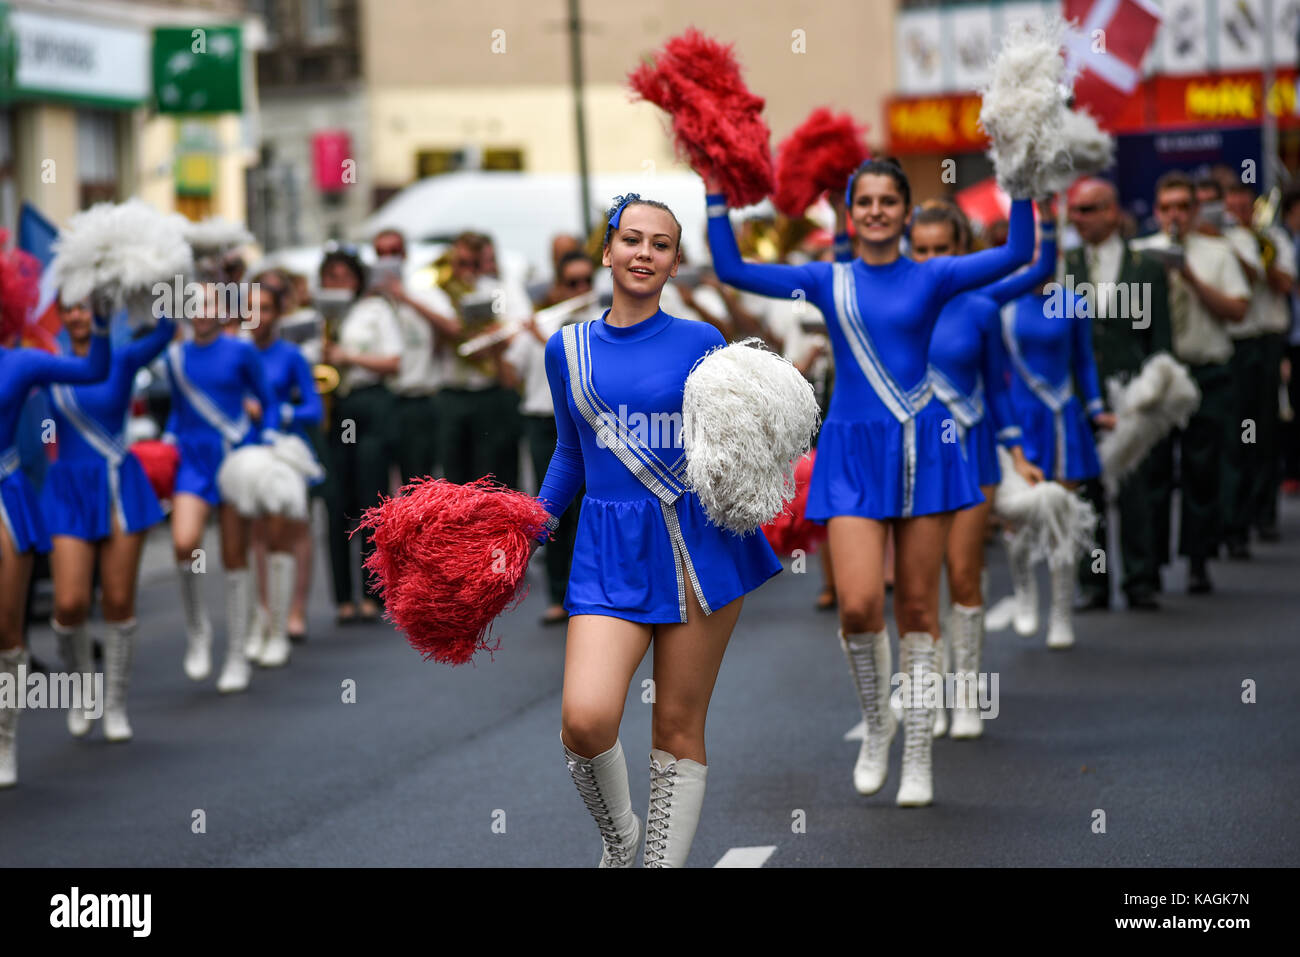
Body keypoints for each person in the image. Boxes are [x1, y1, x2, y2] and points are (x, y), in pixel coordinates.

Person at [706, 157, 1034, 806]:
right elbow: (733, 270)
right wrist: (715, 193)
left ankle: (917, 750)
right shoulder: (828, 280)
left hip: (922, 448)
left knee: (916, 607)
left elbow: (1021, 250)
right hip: (853, 454)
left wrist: (1021, 172)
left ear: (908, 214)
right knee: (857, 605)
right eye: (867, 201)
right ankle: (878, 722)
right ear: (850, 214)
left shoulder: (935, 274)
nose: (878, 211)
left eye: (890, 201)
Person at [538, 194, 782, 867]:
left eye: (662, 244)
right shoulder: (566, 348)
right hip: (608, 547)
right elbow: (569, 451)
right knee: (585, 721)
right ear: (608, 249)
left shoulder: (702, 343)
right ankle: (620, 838)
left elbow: (734, 443)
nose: (644, 253)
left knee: (676, 727)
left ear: (675, 263)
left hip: (695, 543)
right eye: (632, 239)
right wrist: (530, 526)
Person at [904, 199, 1044, 735]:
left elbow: (1001, 390)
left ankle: (967, 695)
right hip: (915, 457)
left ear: (962, 251)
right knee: (920, 586)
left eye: (945, 248)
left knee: (963, 572)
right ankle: (930, 697)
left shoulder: (982, 307)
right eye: (923, 249)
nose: (934, 258)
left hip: (973, 451)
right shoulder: (898, 306)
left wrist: (1019, 455)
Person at [41, 298, 174, 740]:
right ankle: (82, 690)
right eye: (70, 309)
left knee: (118, 602)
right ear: (61, 315)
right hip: (69, 489)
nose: (79, 316)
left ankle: (115, 703)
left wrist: (146, 285)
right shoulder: (49, 362)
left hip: (119, 482)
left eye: (87, 307)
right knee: (69, 604)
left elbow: (166, 329)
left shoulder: (123, 355)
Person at [1, 302, 111, 786]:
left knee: (6, 630)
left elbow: (94, 368)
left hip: (7, 495)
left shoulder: (20, 362)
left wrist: (104, 319)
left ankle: (4, 743)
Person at [997, 213, 1113, 650]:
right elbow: (999, 373)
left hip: (1064, 418)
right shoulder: (1003, 309)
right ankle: (1026, 593)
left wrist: (1097, 406)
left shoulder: (1072, 301)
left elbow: (1084, 359)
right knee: (1020, 515)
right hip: (1020, 421)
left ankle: (1061, 613)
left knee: (1063, 513)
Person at [1132, 171, 1251, 594]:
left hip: (1205, 371)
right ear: (1157, 211)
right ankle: (1151, 564)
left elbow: (1238, 311)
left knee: (1202, 470)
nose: (1176, 215)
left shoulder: (1217, 252)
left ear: (1196, 209)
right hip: (1159, 375)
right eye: (1167, 208)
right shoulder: (1141, 254)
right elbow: (1125, 318)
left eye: (1184, 206)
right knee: (1154, 471)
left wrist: (1193, 281)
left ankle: (1198, 559)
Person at [164, 283, 282, 693]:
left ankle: (235, 655)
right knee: (184, 543)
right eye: (194, 304)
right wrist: (167, 437)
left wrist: (267, 437)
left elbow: (268, 401)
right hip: (193, 462)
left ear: (223, 309)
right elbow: (178, 412)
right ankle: (198, 630)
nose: (201, 311)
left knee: (235, 556)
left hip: (233, 456)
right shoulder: (174, 357)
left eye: (210, 303)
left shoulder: (240, 350)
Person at [1064, 178, 1174, 610]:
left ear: (1113, 211)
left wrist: (1152, 393)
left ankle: (1140, 578)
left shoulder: (1144, 266)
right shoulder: (1065, 266)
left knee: (1136, 486)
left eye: (1089, 209)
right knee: (1087, 491)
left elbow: (1160, 340)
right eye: (1075, 210)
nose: (1079, 218)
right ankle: (1093, 582)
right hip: (1078, 395)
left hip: (1132, 392)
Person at [500, 250, 594, 626]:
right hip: (542, 422)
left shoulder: (600, 324)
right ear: (558, 286)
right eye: (573, 283)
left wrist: (545, 339)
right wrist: (502, 348)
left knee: (591, 509)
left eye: (588, 280)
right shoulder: (543, 320)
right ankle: (558, 595)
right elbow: (509, 377)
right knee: (552, 512)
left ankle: (590, 593)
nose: (582, 289)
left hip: (588, 426)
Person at [319, 249, 403, 625]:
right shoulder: (316, 316)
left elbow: (394, 361)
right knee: (337, 500)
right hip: (334, 408)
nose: (337, 283)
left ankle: (373, 593)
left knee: (372, 498)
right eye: (330, 276)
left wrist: (347, 356)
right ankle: (342, 597)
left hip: (370, 403)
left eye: (344, 276)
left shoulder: (374, 311)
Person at [244, 280, 322, 665]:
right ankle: (265, 610)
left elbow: (315, 409)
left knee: (293, 527)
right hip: (249, 448)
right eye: (251, 308)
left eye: (267, 309)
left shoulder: (290, 355)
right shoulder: (238, 353)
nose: (258, 318)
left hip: (286, 449)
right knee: (257, 530)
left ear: (278, 315)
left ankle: (295, 609)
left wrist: (279, 412)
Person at [1222, 182, 1294, 547]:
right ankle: (1235, 517)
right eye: (1231, 204)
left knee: (1263, 430)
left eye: (1243, 204)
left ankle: (1263, 511)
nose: (1238, 210)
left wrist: (1259, 250)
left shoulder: (1274, 239)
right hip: (1234, 343)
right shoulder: (1222, 241)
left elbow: (1284, 284)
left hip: (1265, 341)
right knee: (1235, 432)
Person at [372, 229, 461, 486]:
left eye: (394, 252)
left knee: (419, 482)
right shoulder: (372, 298)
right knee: (378, 484)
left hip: (419, 399)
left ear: (406, 254)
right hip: (383, 399)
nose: (388, 259)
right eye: (381, 253)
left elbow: (453, 328)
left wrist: (405, 298)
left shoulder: (423, 291)